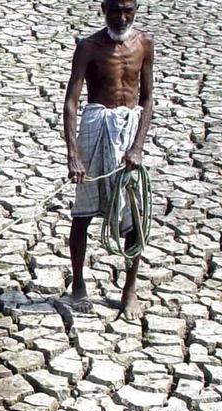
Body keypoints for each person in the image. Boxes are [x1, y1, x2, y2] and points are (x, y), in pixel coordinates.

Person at [63, 0, 154, 319]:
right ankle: (77, 284)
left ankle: (129, 290)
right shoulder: (88, 47)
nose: (121, 17)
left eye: (128, 10)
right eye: (115, 10)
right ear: (103, 9)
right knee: (83, 213)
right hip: (95, 127)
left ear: (137, 9)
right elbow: (72, 102)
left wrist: (138, 147)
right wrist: (73, 154)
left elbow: (146, 98)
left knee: (134, 216)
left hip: (129, 131)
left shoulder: (144, 44)